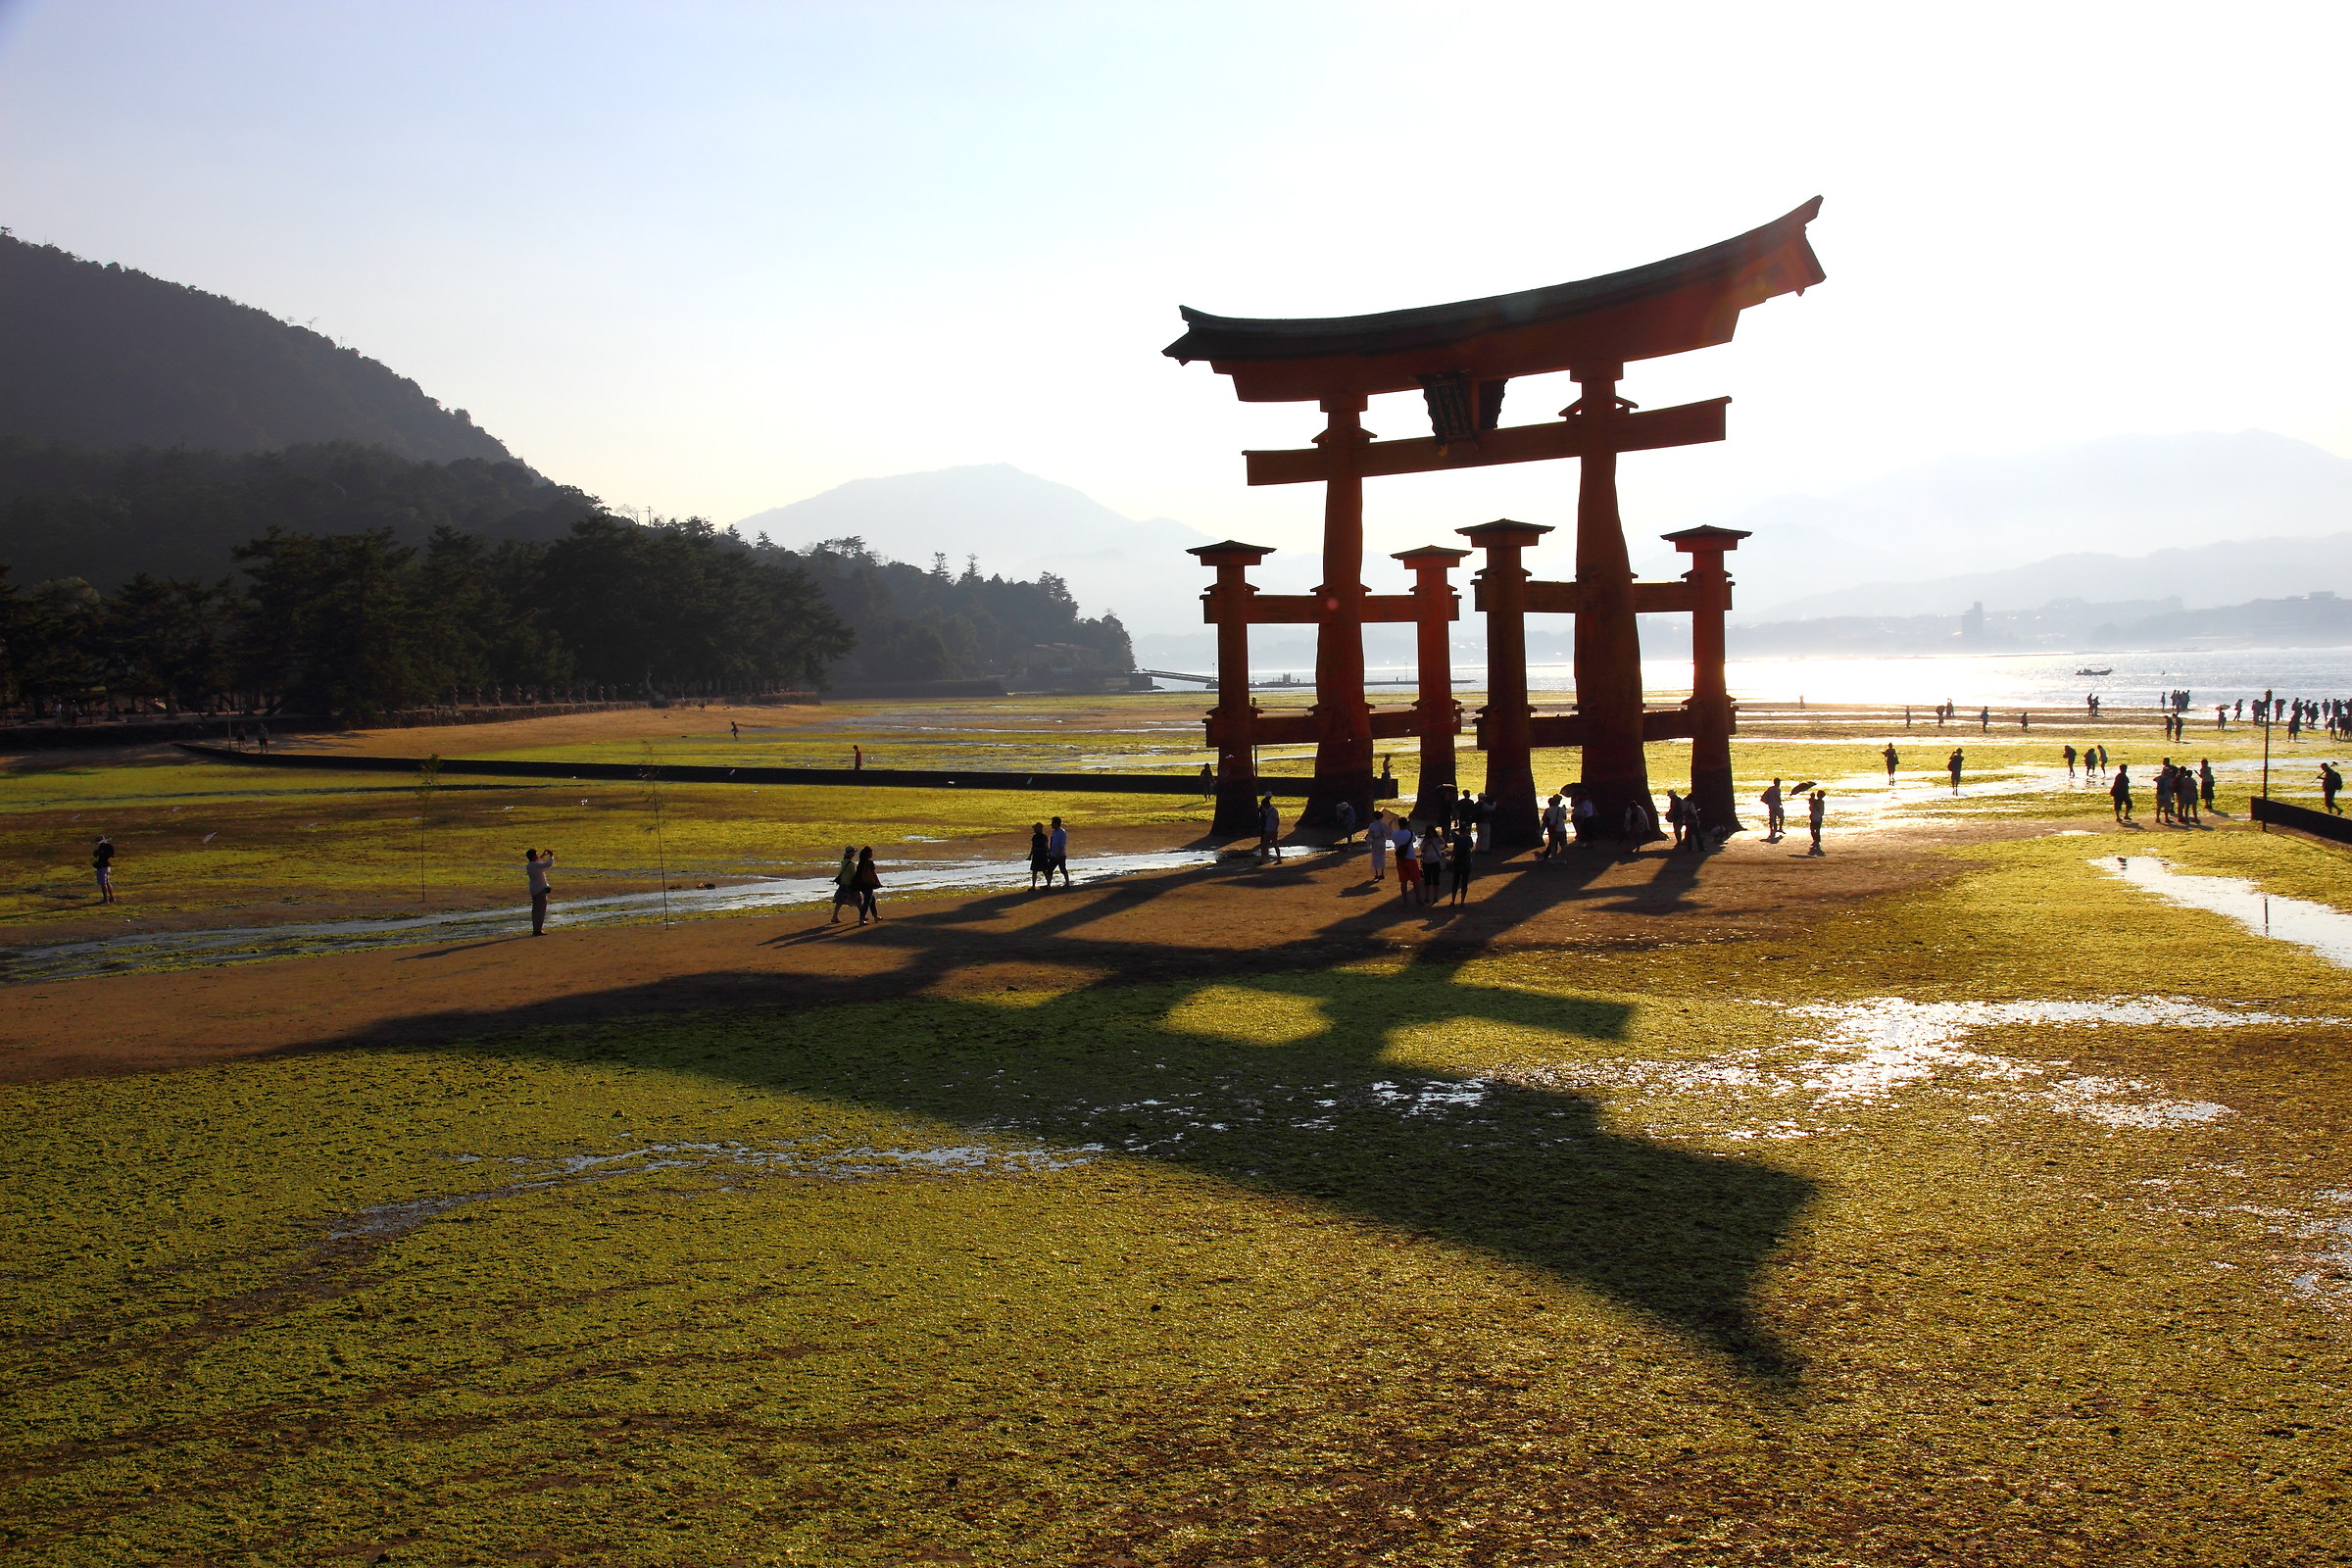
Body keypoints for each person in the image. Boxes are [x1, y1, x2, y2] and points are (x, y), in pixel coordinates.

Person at [525, 848, 556, 935]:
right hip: (540, 890)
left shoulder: (530, 865)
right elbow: (548, 864)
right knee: (540, 910)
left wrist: (542, 856)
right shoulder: (534, 866)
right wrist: (551, 856)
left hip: (534, 889)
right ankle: (538, 930)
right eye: (536, 854)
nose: (538, 856)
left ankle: (536, 929)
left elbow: (538, 863)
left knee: (536, 910)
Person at [1447, 816, 1475, 905]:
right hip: (1466, 862)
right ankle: (1462, 901)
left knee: (1455, 882)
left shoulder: (1457, 838)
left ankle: (1453, 900)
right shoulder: (1468, 838)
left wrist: (1456, 829)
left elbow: (1451, 831)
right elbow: (1471, 846)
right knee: (1464, 883)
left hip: (1458, 862)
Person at [1419, 824, 1446, 906]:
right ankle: (1427, 897)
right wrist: (1427, 843)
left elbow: (1443, 843)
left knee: (1435, 880)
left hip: (1435, 861)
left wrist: (1437, 836)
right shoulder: (1425, 840)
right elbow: (1422, 850)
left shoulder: (1437, 839)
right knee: (1427, 881)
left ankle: (1436, 896)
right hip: (1427, 862)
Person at [1393, 819, 1420, 901]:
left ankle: (1405, 899)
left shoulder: (1394, 833)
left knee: (1403, 881)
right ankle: (1418, 898)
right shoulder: (1410, 833)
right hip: (1410, 857)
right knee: (1416, 880)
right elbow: (1414, 840)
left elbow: (1394, 840)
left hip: (1400, 858)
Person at [853, 846, 882, 922]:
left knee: (872, 900)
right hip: (868, 884)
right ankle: (861, 918)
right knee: (867, 901)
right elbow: (873, 873)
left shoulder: (861, 862)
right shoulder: (869, 862)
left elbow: (858, 874)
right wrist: (878, 882)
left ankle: (875, 916)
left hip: (862, 884)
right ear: (868, 854)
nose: (872, 854)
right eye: (871, 853)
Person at [1542, 793, 1569, 859]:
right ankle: (1564, 859)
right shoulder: (1561, 809)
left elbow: (1544, 819)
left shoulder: (1548, 810)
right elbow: (1565, 818)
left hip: (1552, 829)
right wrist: (1564, 810)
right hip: (1561, 829)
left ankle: (1553, 859)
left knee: (1553, 845)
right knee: (1563, 845)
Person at [1046, 816, 1071, 886]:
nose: (1051, 825)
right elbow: (1052, 843)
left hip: (1060, 855)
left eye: (1052, 823)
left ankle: (1067, 883)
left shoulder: (1062, 832)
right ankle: (1048, 885)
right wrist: (1050, 852)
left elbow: (1062, 844)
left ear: (1056, 823)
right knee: (1050, 869)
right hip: (1053, 854)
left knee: (1062, 869)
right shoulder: (1054, 832)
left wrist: (1058, 854)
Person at [1258, 795, 1283, 862]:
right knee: (1264, 845)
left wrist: (1275, 828)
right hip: (1268, 829)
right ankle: (1262, 860)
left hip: (1272, 830)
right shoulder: (1268, 810)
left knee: (1274, 844)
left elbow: (1277, 820)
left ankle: (1278, 859)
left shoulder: (1274, 811)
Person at [1027, 823, 1051, 892]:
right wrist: (1030, 856)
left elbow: (1046, 847)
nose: (1034, 829)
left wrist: (1049, 854)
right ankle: (1033, 886)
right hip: (1036, 854)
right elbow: (1033, 847)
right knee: (1035, 871)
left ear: (1039, 828)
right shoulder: (1034, 837)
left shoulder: (1044, 837)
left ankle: (1048, 884)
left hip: (1042, 854)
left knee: (1044, 871)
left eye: (1035, 828)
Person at [1367, 810, 1389, 882]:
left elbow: (1369, 834)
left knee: (1375, 856)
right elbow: (1388, 832)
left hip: (1375, 842)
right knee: (1382, 856)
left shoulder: (1372, 825)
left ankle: (1376, 873)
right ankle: (1382, 873)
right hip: (1381, 842)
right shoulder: (1383, 825)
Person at [92, 836, 115, 905]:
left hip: (102, 866)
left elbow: (96, 854)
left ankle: (105, 899)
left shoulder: (102, 847)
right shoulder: (109, 846)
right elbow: (113, 855)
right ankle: (111, 897)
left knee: (103, 883)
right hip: (107, 866)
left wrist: (100, 853)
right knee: (107, 882)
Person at [1807, 789, 1826, 856]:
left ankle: (1816, 840)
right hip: (1816, 817)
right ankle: (1816, 840)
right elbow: (1812, 804)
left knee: (1816, 830)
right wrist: (1812, 798)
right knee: (1813, 829)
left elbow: (1814, 804)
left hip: (1817, 817)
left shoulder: (1820, 802)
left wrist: (1812, 798)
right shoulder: (1817, 801)